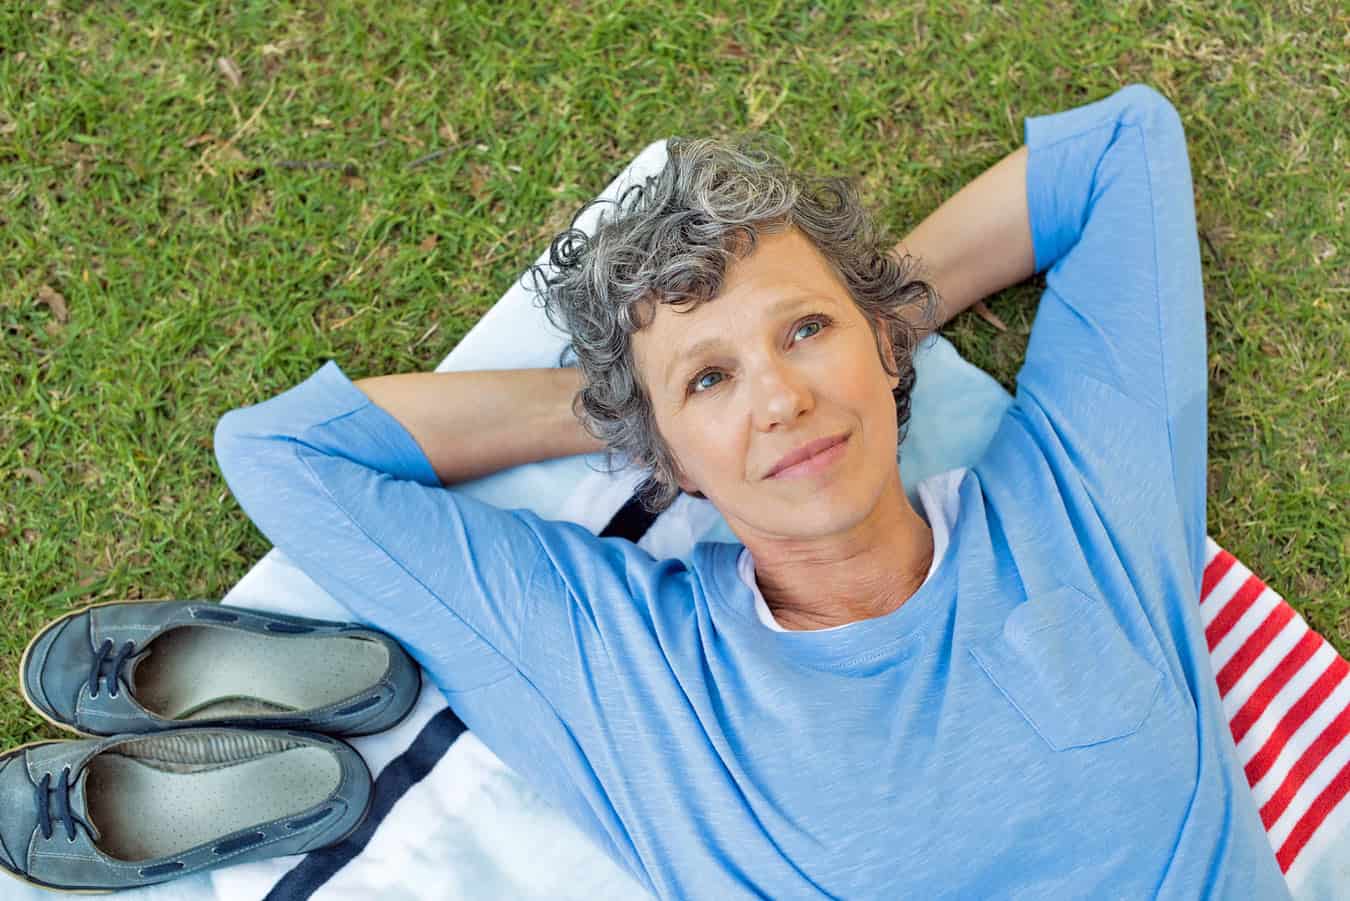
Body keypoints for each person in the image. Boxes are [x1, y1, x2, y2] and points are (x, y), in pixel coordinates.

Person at [213, 84, 1291, 899]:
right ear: (668, 454)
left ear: (884, 343)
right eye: (713, 378)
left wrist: (871, 321)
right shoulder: (632, 671)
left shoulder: (1080, 506)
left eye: (805, 330)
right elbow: (286, 451)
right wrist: (625, 407)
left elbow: (1119, 147)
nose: (777, 399)